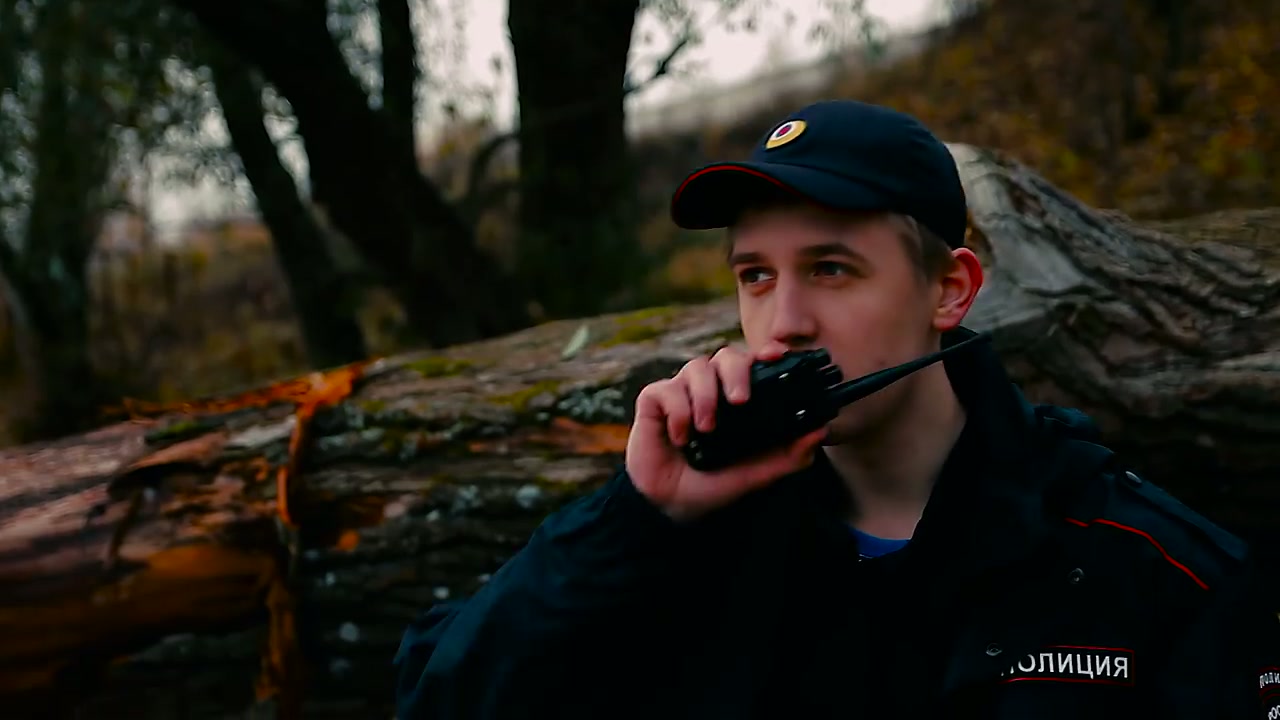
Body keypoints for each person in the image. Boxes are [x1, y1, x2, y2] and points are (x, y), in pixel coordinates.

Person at [393, 100, 1279, 719]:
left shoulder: (1153, 570)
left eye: (830, 269)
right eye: (755, 276)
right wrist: (634, 522)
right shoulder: (679, 545)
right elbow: (443, 700)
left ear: (949, 290)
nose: (785, 322)